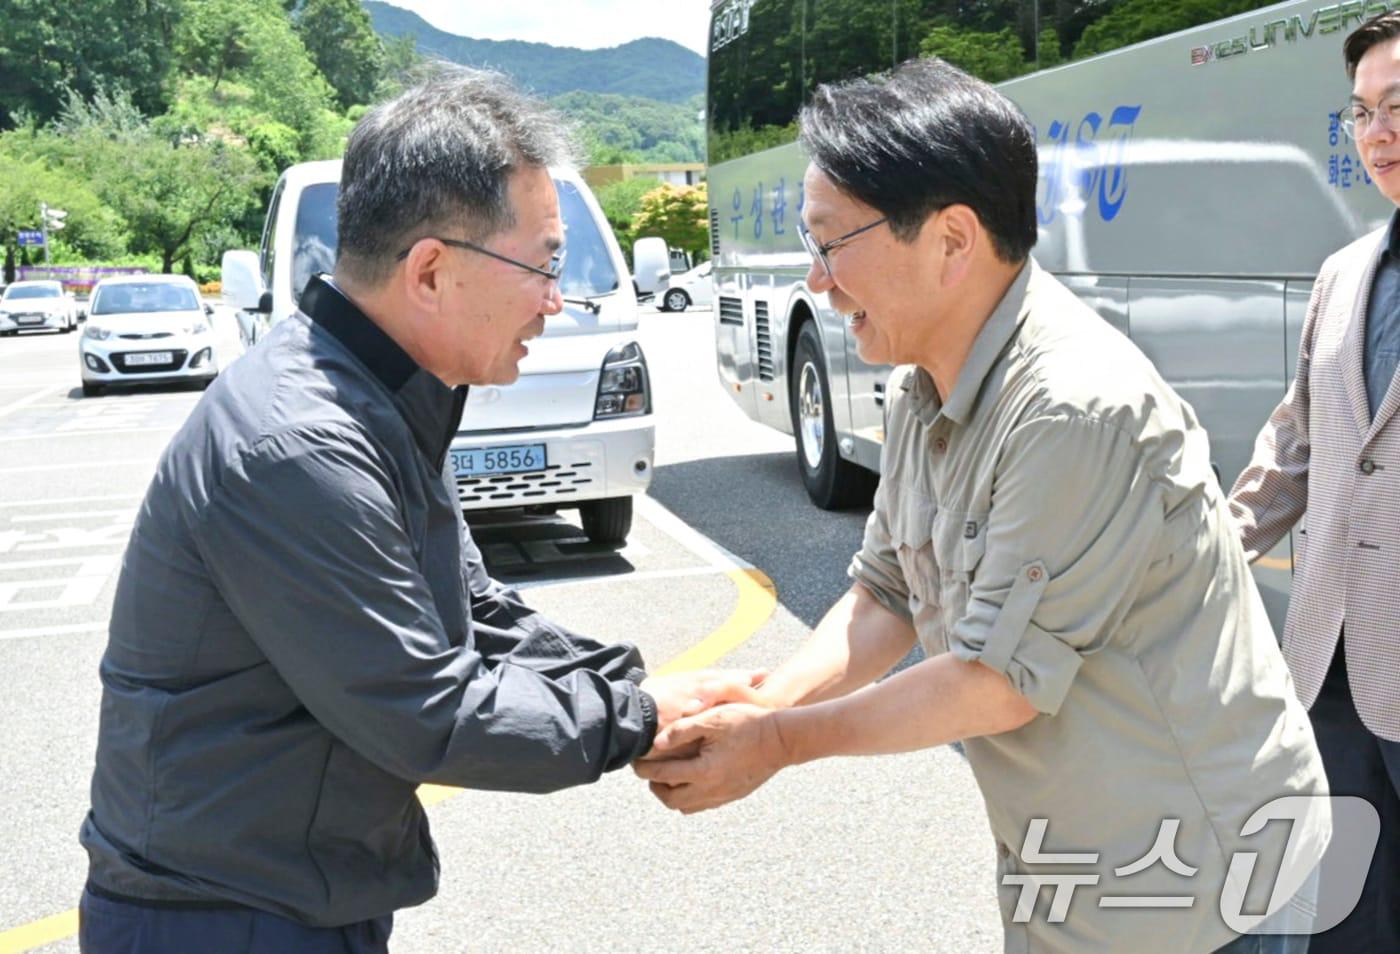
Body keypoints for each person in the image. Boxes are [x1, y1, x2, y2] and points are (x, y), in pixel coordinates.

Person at [636, 59, 1331, 953]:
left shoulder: (1072, 409)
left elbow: (994, 682)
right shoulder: (925, 383)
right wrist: (769, 701)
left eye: (832, 244)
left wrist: (775, 743)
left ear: (953, 240)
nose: (817, 280)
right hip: (1076, 863)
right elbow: (886, 591)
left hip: (1201, 876)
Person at [77, 67, 751, 953]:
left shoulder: (375, 395)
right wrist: (640, 720)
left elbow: (472, 609)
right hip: (222, 916)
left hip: (282, 887)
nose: (555, 299)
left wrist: (633, 691)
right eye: (544, 264)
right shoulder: (303, 444)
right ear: (430, 270)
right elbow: (425, 712)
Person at [1227, 11, 1400, 950]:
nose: (1378, 133)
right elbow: (1297, 440)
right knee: (1347, 914)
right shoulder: (1345, 272)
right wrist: (1209, 548)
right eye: (1362, 113)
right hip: (1331, 654)